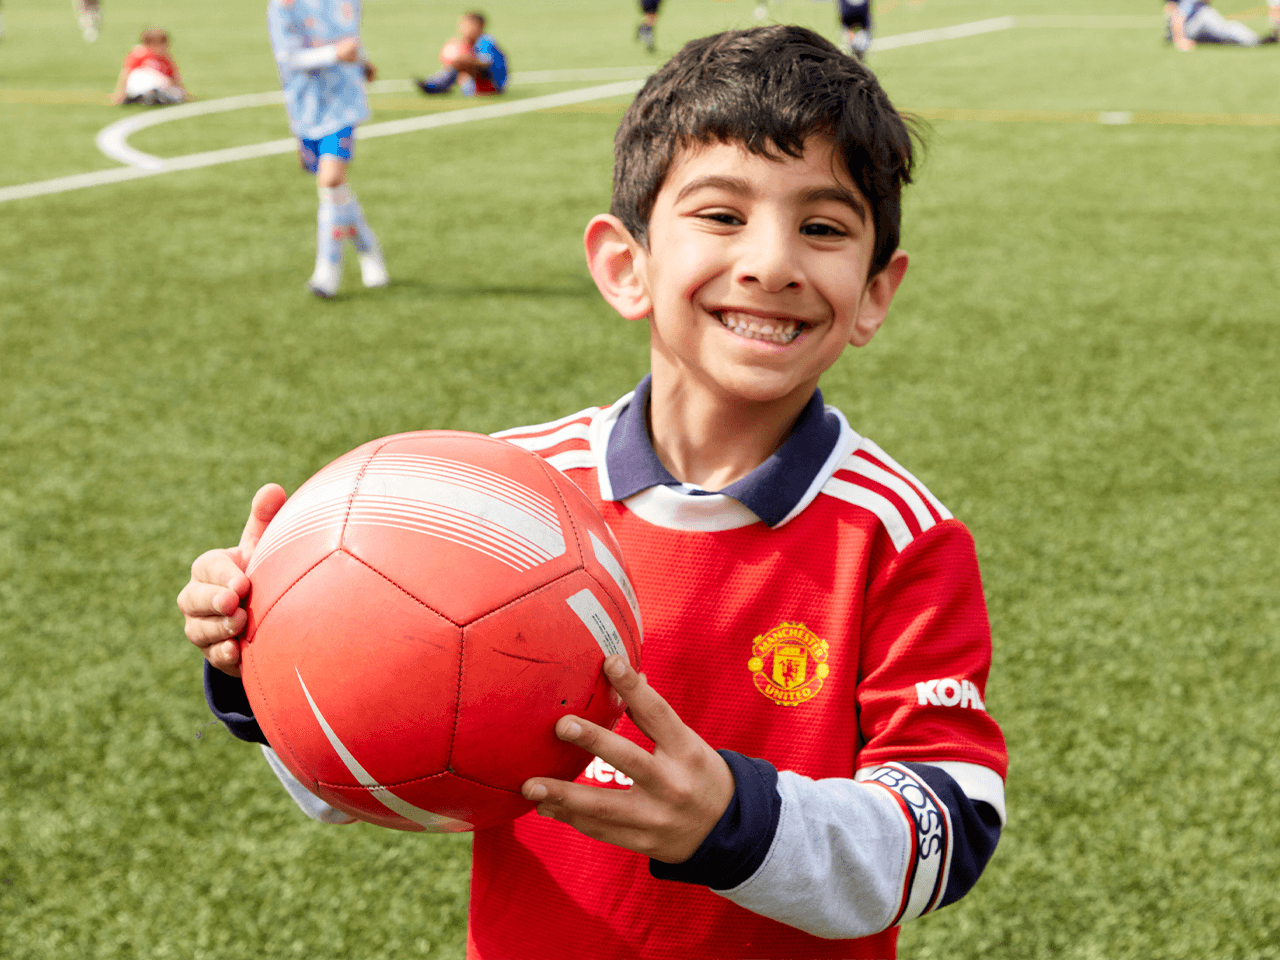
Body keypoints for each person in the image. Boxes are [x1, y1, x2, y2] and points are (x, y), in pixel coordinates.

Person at [178, 25, 1007, 960]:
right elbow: (376, 764)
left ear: (873, 293)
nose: (772, 261)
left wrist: (737, 823)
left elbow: (953, 828)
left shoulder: (898, 536)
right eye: (723, 215)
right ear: (625, 266)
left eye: (822, 227)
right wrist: (264, 654)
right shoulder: (498, 497)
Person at [267, 0, 389, 298]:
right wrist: (335, 54)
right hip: (305, 106)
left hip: (343, 105)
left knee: (330, 180)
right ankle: (368, 248)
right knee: (335, 190)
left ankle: (326, 272)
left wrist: (363, 61)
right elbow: (288, 58)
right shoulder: (284, 6)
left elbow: (349, 38)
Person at [416, 11, 507, 96]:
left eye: (468, 25)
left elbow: (486, 62)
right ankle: (440, 83)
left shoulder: (485, 41)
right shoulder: (467, 43)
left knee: (462, 62)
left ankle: (438, 84)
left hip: (494, 84)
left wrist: (464, 59)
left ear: (479, 27)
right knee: (461, 63)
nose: (463, 28)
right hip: (479, 84)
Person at [110, 28, 190, 106]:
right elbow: (126, 73)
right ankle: (148, 96)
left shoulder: (164, 57)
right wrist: (119, 94)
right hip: (142, 83)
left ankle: (147, 97)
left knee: (173, 90)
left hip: (154, 87)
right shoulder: (140, 54)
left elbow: (174, 76)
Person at [1164, 0, 1278, 48]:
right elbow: (1178, 14)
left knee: (1219, 34)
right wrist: (1179, 39)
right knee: (1226, 27)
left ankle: (1253, 40)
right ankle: (1254, 40)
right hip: (1193, 22)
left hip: (1189, 25)